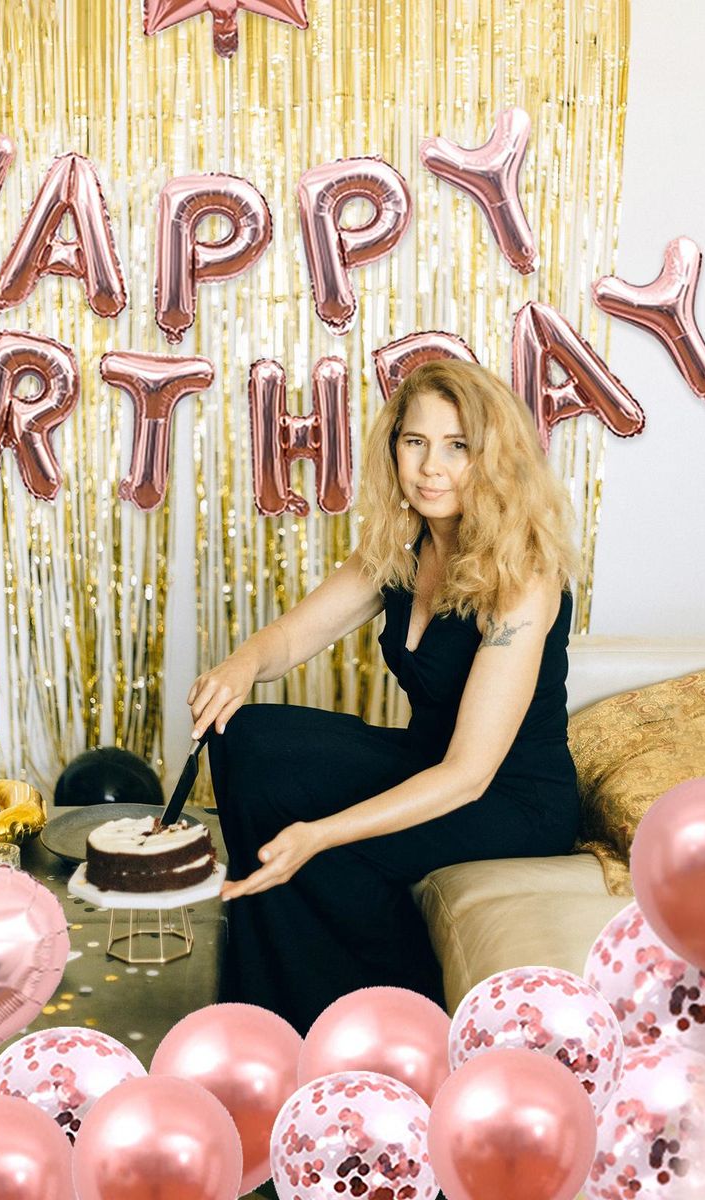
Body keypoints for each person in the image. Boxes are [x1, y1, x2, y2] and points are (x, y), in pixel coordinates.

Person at [187, 359, 583, 1035]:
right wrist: (239, 665)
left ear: (493, 457)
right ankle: (266, 1001)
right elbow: (292, 637)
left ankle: (359, 1023)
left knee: (330, 854)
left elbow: (469, 774)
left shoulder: (523, 575)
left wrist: (319, 832)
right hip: (425, 760)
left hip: (508, 798)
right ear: (393, 448)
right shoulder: (403, 551)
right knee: (244, 736)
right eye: (415, 442)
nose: (431, 468)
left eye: (457, 446)